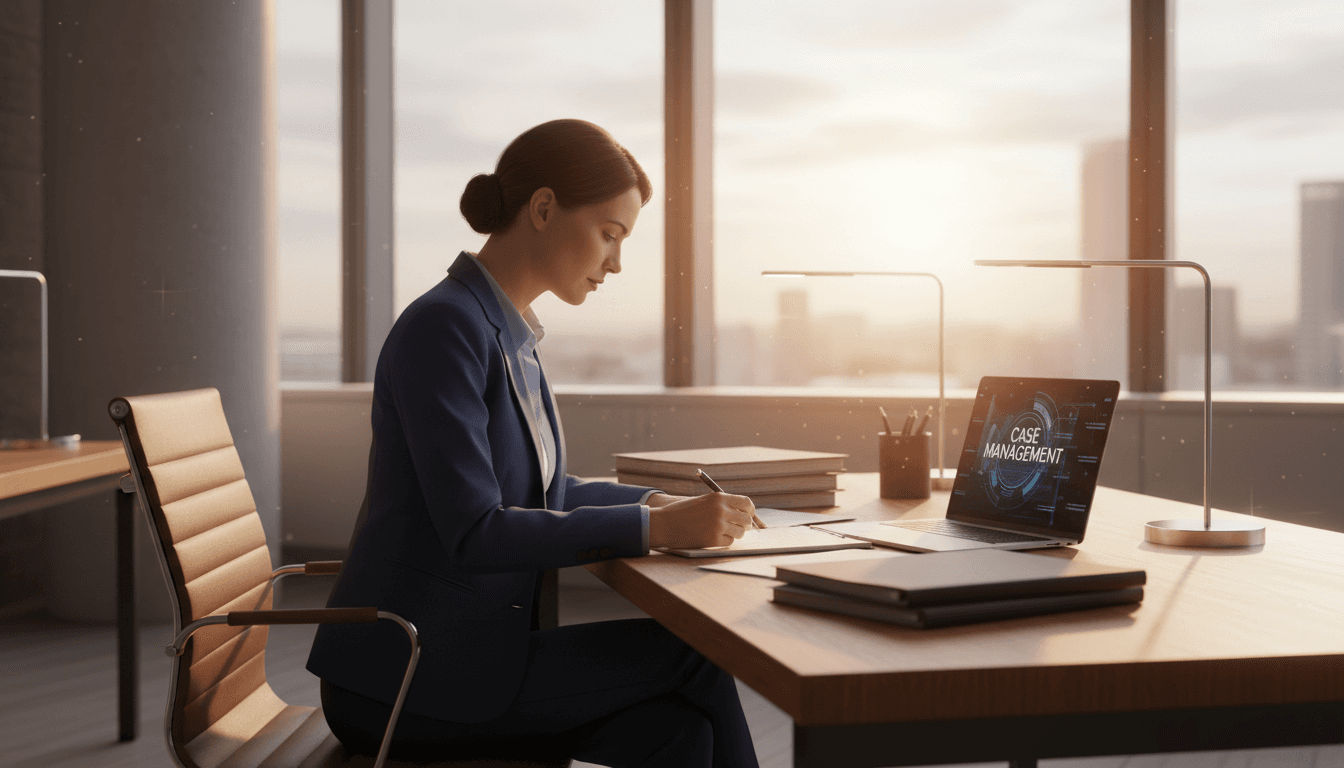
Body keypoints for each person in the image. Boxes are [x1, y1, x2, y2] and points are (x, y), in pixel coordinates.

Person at [307, 119, 763, 767]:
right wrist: (652, 529)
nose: (617, 261)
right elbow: (478, 531)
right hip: (402, 676)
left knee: (678, 733)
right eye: (610, 234)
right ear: (544, 208)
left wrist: (657, 503)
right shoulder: (445, 328)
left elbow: (546, 494)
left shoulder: (507, 333)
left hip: (468, 654)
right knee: (695, 659)